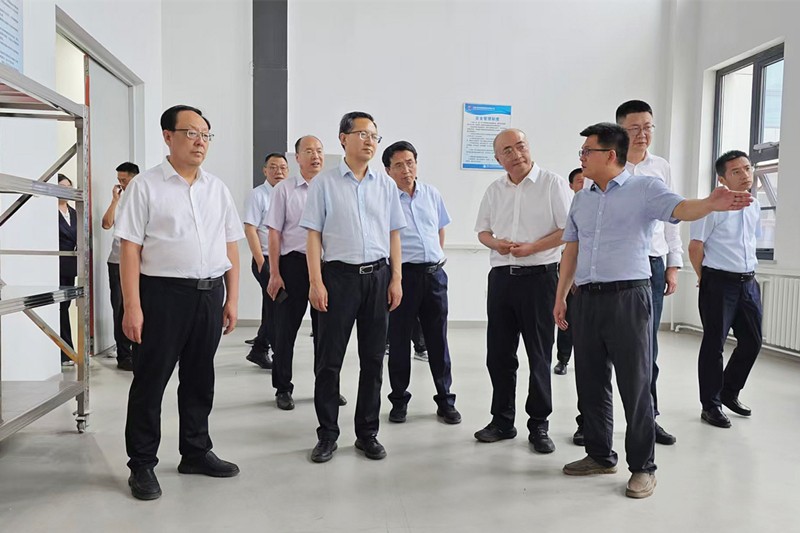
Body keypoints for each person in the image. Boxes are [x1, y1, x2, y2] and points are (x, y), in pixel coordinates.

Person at [555, 122, 752, 499]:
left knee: (636, 384)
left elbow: (680, 208)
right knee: (590, 382)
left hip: (628, 297)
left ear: (609, 155)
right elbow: (571, 250)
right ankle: (599, 454)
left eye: (587, 151)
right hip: (587, 298)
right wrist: (561, 296)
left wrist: (710, 204)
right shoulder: (582, 198)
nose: (582, 157)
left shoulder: (644, 188)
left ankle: (643, 467)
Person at [116, 105, 244, 500]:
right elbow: (130, 249)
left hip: (209, 294)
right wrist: (132, 307)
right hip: (162, 296)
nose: (200, 141)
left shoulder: (216, 188)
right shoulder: (146, 186)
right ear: (168, 136)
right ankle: (142, 464)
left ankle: (196, 451)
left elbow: (231, 245)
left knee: (200, 378)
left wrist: (232, 298)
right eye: (191, 133)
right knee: (151, 380)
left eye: (205, 135)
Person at [300, 111, 405, 463]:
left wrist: (396, 279)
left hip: (378, 277)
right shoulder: (324, 184)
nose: (370, 141)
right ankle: (327, 434)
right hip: (338, 279)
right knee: (329, 361)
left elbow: (394, 234)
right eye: (362, 134)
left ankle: (367, 433)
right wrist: (316, 282)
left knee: (373, 360)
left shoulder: (386, 185)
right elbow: (313, 236)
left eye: (374, 135)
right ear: (343, 139)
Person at [473, 128, 572, 454]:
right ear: (497, 158)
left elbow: (567, 230)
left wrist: (533, 247)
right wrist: (496, 243)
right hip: (502, 279)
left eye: (521, 146)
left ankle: (539, 425)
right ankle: (502, 421)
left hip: (540, 279)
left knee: (539, 354)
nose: (516, 154)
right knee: (499, 354)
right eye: (507, 150)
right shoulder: (494, 190)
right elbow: (482, 232)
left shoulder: (553, 184)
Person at [616, 99, 682, 446]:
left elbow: (672, 218)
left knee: (647, 347)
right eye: (634, 128)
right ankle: (590, 421)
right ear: (620, 131)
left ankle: (648, 418)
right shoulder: (610, 164)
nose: (642, 134)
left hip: (652, 265)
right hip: (615, 266)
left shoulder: (661, 167)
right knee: (603, 347)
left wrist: (674, 264)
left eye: (647, 127)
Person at [383, 140, 460, 425]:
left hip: (434, 276)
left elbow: (439, 230)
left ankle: (446, 400)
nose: (406, 170)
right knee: (399, 342)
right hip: (402, 278)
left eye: (410, 163)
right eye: (399, 165)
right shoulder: (385, 199)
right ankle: (399, 400)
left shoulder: (431, 193)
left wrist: (434, 260)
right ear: (388, 170)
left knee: (438, 340)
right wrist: (395, 277)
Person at [689, 150, 762, 429]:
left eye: (747, 168)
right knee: (714, 344)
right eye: (736, 171)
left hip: (748, 282)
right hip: (719, 282)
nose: (745, 175)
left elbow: (749, 243)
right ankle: (711, 405)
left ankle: (729, 392)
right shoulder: (711, 207)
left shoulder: (754, 205)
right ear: (722, 179)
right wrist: (703, 277)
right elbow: (695, 247)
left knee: (752, 341)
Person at [265, 136, 324, 410]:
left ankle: (326, 387)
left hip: (326, 268)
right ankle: (283, 388)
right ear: (297, 158)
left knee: (326, 333)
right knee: (286, 330)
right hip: (293, 266)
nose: (316, 156)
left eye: (319, 151)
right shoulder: (284, 190)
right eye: (309, 151)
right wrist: (274, 272)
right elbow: (274, 233)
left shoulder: (330, 187)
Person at [243, 153, 288, 369]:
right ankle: (273, 353)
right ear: (265, 170)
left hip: (284, 260)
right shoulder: (258, 195)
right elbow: (250, 229)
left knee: (273, 307)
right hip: (266, 260)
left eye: (282, 167)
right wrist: (262, 264)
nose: (278, 171)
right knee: (277, 307)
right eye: (273, 167)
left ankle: (260, 348)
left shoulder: (287, 194)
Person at [101, 162, 140, 371]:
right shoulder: (120, 200)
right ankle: (124, 356)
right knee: (120, 309)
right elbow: (106, 224)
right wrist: (114, 200)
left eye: (124, 180)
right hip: (117, 262)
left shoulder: (143, 197)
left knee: (143, 307)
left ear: (135, 178)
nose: (121, 184)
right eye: (119, 180)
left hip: (141, 264)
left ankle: (141, 351)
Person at [554, 167, 585, 376]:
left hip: (589, 273)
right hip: (567, 267)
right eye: (579, 181)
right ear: (571, 186)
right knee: (565, 317)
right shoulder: (565, 209)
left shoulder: (596, 205)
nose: (584, 184)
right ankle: (563, 359)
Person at [57, 174, 78, 365]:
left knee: (66, 306)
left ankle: (67, 351)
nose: (67, 191)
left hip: (70, 266)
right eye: (63, 187)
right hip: (55, 265)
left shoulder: (73, 212)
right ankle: (65, 352)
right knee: (60, 308)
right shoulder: (50, 212)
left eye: (69, 187)